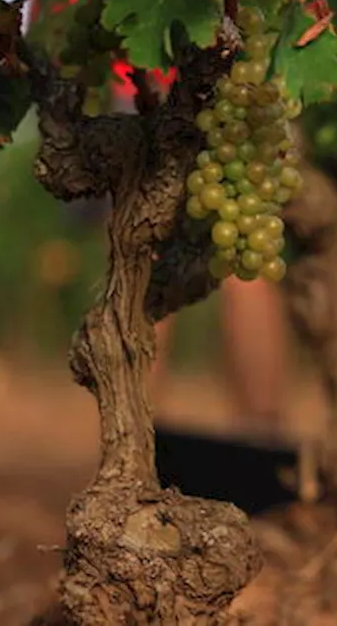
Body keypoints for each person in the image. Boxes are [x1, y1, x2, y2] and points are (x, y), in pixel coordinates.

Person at [111, 59, 294, 440]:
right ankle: (260, 444)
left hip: (139, 71)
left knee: (145, 253)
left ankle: (132, 442)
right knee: (243, 268)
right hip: (246, 77)